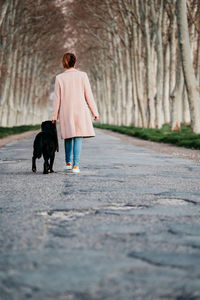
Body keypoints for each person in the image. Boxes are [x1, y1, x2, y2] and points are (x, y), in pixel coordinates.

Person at [52, 53, 99, 173]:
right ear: (75, 63)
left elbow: (57, 99)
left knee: (68, 136)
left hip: (66, 111)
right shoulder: (83, 75)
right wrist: (94, 112)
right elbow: (88, 95)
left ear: (63, 63)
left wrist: (54, 116)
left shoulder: (59, 78)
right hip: (80, 110)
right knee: (78, 137)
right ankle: (76, 166)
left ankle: (68, 163)